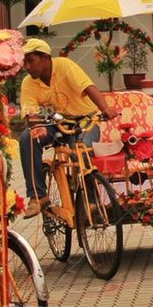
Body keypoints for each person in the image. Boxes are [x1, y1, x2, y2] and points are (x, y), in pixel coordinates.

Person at [19, 38, 119, 218]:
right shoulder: (28, 82)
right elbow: (30, 112)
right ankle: (38, 195)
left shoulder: (64, 65)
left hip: (84, 122)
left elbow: (89, 87)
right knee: (28, 137)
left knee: (80, 150)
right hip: (54, 124)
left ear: (45, 58)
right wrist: (37, 127)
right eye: (23, 62)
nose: (26, 66)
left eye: (30, 61)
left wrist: (105, 109)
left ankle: (91, 200)